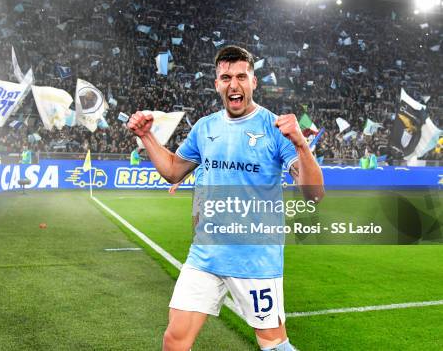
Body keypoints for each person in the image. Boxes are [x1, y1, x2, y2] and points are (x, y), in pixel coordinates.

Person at [128, 45, 324, 351]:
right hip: (206, 254)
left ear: (253, 82)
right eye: (226, 77)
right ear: (217, 83)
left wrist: (301, 144)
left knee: (274, 345)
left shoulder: (274, 129)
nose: (234, 84)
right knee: (174, 340)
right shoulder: (205, 127)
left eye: (241, 76)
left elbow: (314, 194)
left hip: (256, 260)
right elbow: (172, 172)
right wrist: (146, 136)